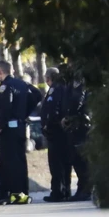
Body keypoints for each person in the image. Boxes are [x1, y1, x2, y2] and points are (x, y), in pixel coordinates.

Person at [0, 60, 31, 205]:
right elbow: (36, 96)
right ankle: (21, 193)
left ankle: (8, 194)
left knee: (8, 163)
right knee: (20, 161)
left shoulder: (5, 86)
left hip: (8, 130)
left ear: (1, 72)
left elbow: (5, 108)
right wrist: (23, 114)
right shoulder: (22, 84)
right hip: (19, 128)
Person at [40, 67, 70, 202]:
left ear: (48, 78)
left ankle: (58, 191)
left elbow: (51, 110)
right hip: (60, 131)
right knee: (63, 163)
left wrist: (47, 124)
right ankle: (65, 190)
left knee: (56, 163)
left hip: (55, 132)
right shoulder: (63, 88)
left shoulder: (55, 90)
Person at [62, 72, 92, 201]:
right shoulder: (71, 82)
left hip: (81, 123)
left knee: (80, 158)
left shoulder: (80, 81)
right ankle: (82, 188)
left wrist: (70, 116)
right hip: (74, 123)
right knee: (75, 158)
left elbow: (77, 100)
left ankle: (85, 189)